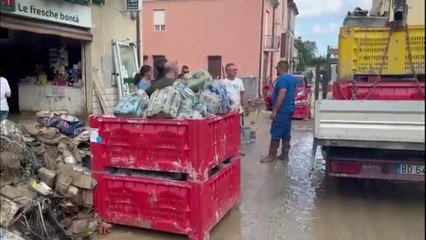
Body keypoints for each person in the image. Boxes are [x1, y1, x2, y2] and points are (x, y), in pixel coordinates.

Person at [260, 60, 297, 163]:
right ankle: (285, 155)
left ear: (280, 68)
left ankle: (272, 155)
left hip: (282, 110)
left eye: (277, 68)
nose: (276, 70)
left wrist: (275, 110)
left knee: (276, 131)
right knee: (286, 132)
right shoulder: (292, 79)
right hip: (290, 109)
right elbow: (294, 92)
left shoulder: (283, 80)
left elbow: (282, 95)